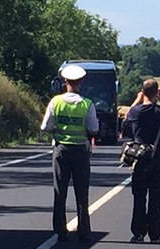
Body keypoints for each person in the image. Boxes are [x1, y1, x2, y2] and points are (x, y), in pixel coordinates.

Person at [40, 64, 99, 243]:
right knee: (82, 193)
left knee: (60, 191)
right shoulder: (87, 104)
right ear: (80, 82)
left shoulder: (55, 102)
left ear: (65, 81)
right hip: (80, 150)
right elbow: (93, 129)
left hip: (61, 151)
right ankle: (84, 231)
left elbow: (45, 127)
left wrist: (58, 129)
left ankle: (60, 231)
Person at [125, 79, 160, 244]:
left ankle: (138, 233)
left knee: (139, 196)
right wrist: (159, 100)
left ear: (143, 92)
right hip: (158, 157)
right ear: (156, 92)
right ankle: (155, 235)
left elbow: (126, 119)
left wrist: (137, 100)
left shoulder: (136, 112)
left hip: (141, 157)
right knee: (156, 196)